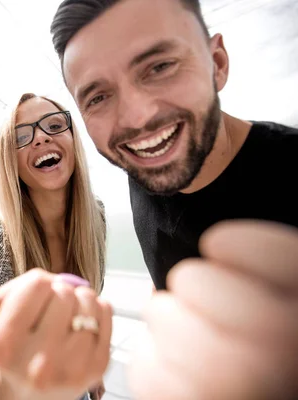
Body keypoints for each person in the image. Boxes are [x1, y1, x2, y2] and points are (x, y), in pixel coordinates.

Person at [50, 0, 298, 397]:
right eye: (97, 97)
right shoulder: (145, 173)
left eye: (159, 67)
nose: (135, 117)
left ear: (217, 62)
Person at [0, 93, 108, 399]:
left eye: (54, 125)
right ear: (12, 163)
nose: (42, 138)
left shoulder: (97, 218)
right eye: (23, 136)